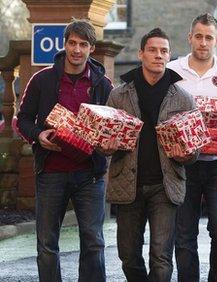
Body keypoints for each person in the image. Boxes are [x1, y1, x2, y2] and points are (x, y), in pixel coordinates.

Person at [17, 19, 112, 282]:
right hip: (51, 171)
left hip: (90, 175)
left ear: (91, 48)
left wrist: (108, 143)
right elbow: (23, 118)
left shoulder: (103, 85)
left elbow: (111, 126)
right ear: (64, 44)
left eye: (83, 44)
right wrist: (38, 135)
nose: (77, 50)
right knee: (47, 244)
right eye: (72, 43)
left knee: (93, 242)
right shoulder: (42, 79)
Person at [103, 27, 198, 282]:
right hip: (128, 183)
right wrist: (107, 146)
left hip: (165, 186)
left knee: (161, 256)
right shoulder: (119, 94)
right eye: (153, 50)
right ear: (141, 54)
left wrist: (185, 154)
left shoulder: (184, 98)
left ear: (169, 56)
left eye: (164, 51)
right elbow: (103, 141)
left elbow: (194, 150)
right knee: (128, 255)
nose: (159, 55)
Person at [167, 13, 217, 282]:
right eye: (198, 36)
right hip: (183, 164)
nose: (203, 42)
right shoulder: (172, 69)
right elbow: (165, 116)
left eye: (208, 37)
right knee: (184, 233)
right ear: (190, 38)